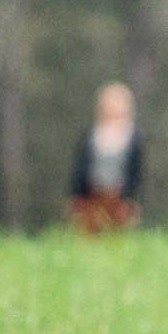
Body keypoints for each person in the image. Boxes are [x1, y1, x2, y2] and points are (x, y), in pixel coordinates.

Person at [68, 83, 144, 234]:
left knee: (117, 239)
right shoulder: (92, 135)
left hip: (119, 198)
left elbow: (136, 172)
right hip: (93, 196)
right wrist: (77, 196)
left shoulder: (132, 137)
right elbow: (81, 168)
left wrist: (131, 199)